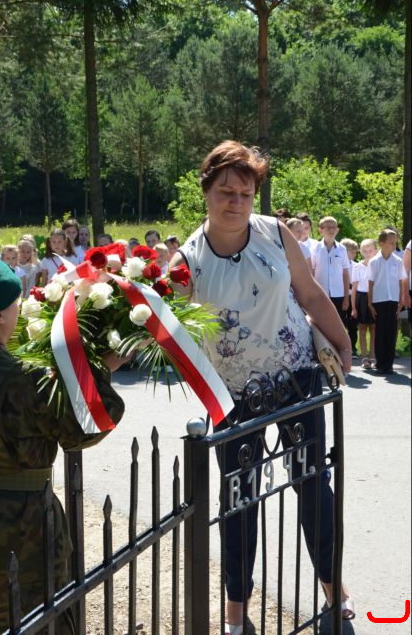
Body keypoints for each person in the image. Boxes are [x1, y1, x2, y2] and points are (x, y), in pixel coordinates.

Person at [169, 141, 354, 634]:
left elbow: (309, 293)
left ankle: (333, 589)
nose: (236, 202)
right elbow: (166, 329)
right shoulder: (186, 260)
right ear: (206, 190)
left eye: (246, 194)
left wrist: (340, 340)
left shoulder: (274, 232)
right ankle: (236, 608)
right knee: (238, 500)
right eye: (226, 191)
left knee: (313, 485)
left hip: (298, 379)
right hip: (232, 395)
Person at [0, 251, 128, 633]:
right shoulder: (23, 376)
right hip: (17, 535)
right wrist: (97, 369)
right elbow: (88, 428)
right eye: (14, 303)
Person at [368, 229, 408, 374]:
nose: (394, 245)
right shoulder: (374, 262)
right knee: (380, 332)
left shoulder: (398, 261)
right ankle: (380, 363)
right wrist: (369, 303)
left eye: (395, 242)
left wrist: (400, 302)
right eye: (391, 242)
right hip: (379, 301)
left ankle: (389, 365)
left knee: (391, 332)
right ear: (382, 243)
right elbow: (370, 283)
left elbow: (400, 281)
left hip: (393, 301)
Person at [310, 216, 350, 333]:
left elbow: (345, 273)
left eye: (334, 227)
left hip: (338, 295)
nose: (331, 230)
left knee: (338, 326)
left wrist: (346, 297)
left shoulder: (342, 249)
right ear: (321, 230)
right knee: (321, 325)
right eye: (328, 227)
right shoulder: (315, 249)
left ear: (337, 230)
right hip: (320, 294)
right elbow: (311, 272)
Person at [350, 239, 377, 369]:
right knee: (362, 328)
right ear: (361, 252)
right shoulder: (357, 267)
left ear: (375, 251)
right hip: (361, 298)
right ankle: (364, 358)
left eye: (370, 250)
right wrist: (354, 308)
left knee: (373, 328)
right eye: (365, 251)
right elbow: (354, 289)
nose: (368, 253)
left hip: (374, 298)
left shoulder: (377, 265)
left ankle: (373, 356)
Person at [340, 238, 359, 355]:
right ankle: (342, 348)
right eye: (352, 251)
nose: (354, 254)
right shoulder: (339, 265)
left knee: (353, 325)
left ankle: (353, 348)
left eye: (355, 252)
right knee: (341, 323)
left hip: (353, 298)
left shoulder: (356, 265)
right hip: (341, 297)